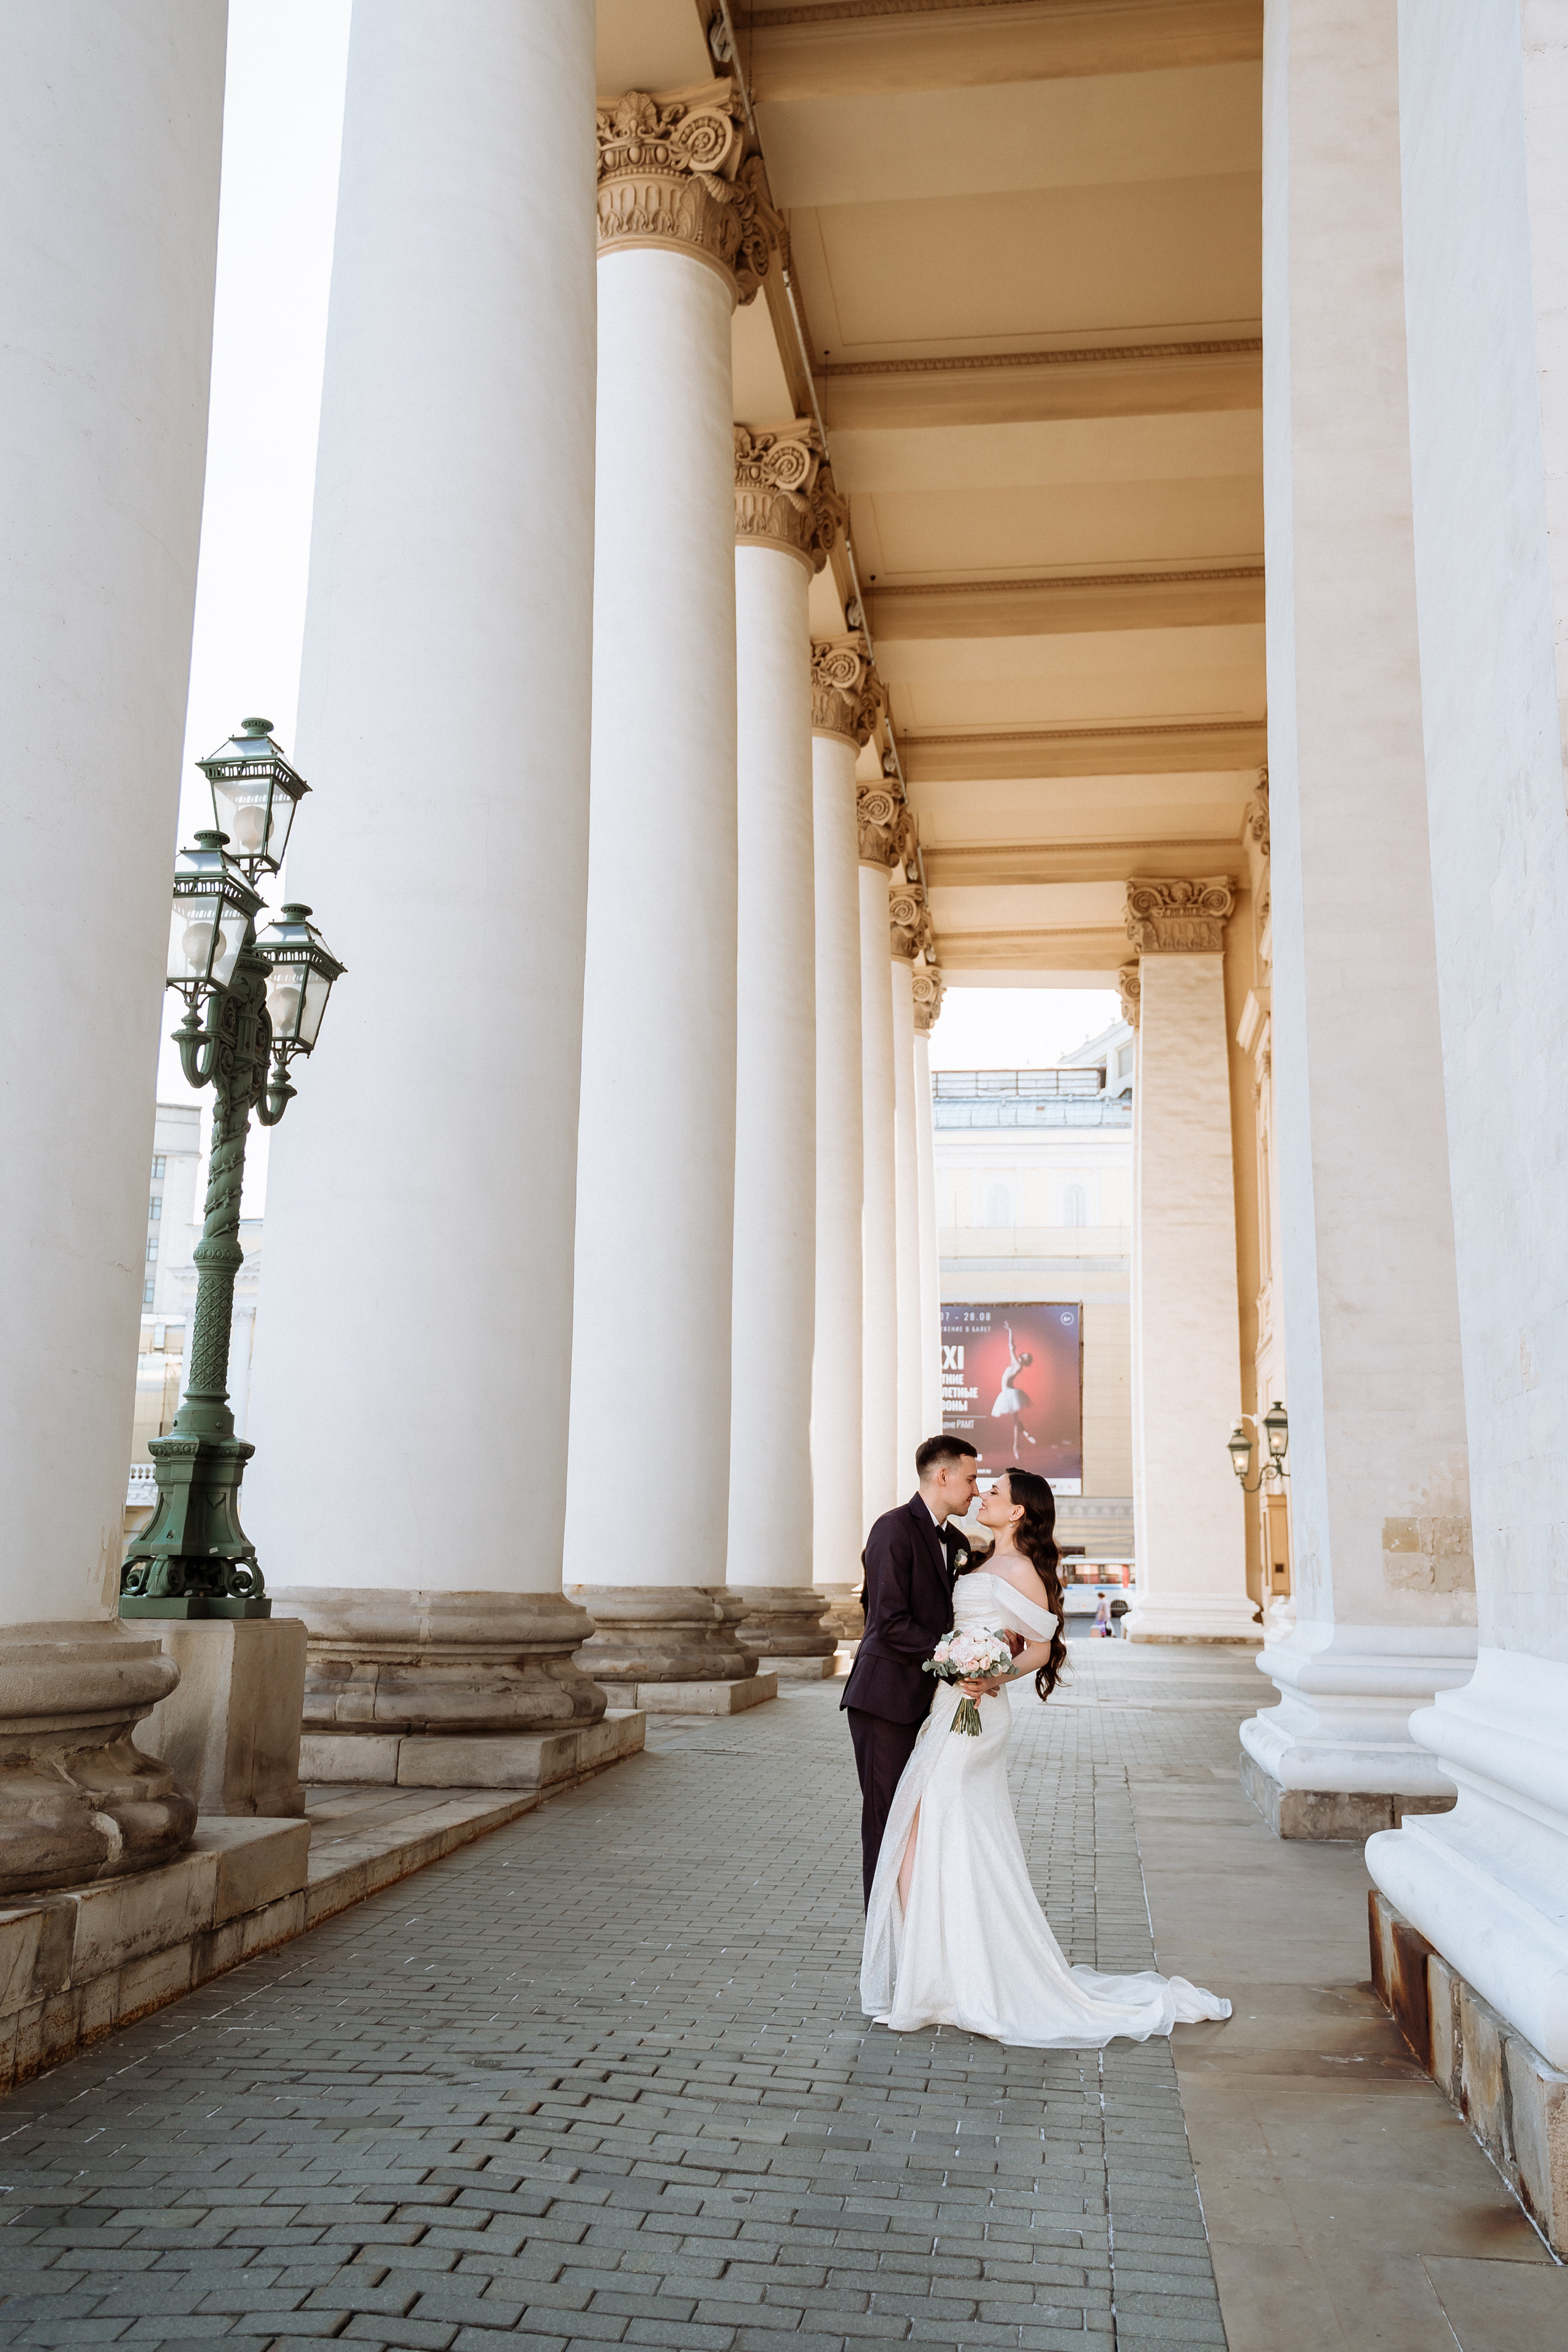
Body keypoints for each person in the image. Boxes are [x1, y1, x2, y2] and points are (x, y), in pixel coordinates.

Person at [861, 1466, 1232, 2049]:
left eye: (996, 1492)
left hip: (977, 1713)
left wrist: (991, 1674)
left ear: (1017, 1513)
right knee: (934, 1830)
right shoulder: (976, 1557)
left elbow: (1042, 1646)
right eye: (981, 1486)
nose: (983, 1493)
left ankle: (955, 1975)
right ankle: (936, 1968)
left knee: (939, 1824)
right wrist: (966, 1664)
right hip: (947, 1706)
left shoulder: (1023, 1570)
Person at [842, 1435, 990, 1908]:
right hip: (883, 1699)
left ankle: (916, 1933)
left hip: (928, 1702)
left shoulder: (959, 1543)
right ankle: (884, 1946)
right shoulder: (892, 1529)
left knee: (919, 1819)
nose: (975, 1489)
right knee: (886, 1820)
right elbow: (887, 1623)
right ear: (942, 1476)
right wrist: (955, 1659)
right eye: (970, 1478)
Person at [989, 1321, 1036, 1463]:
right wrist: (1010, 1331)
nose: (1023, 1356)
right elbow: (1012, 1348)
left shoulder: (1018, 1365)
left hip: (1009, 1394)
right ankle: (1025, 1436)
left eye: (1026, 1357)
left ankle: (1017, 1447)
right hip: (1007, 1393)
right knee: (1015, 1421)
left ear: (1025, 1361)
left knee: (1015, 1422)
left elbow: (1011, 1347)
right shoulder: (1015, 1363)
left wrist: (1010, 1330)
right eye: (1025, 1354)